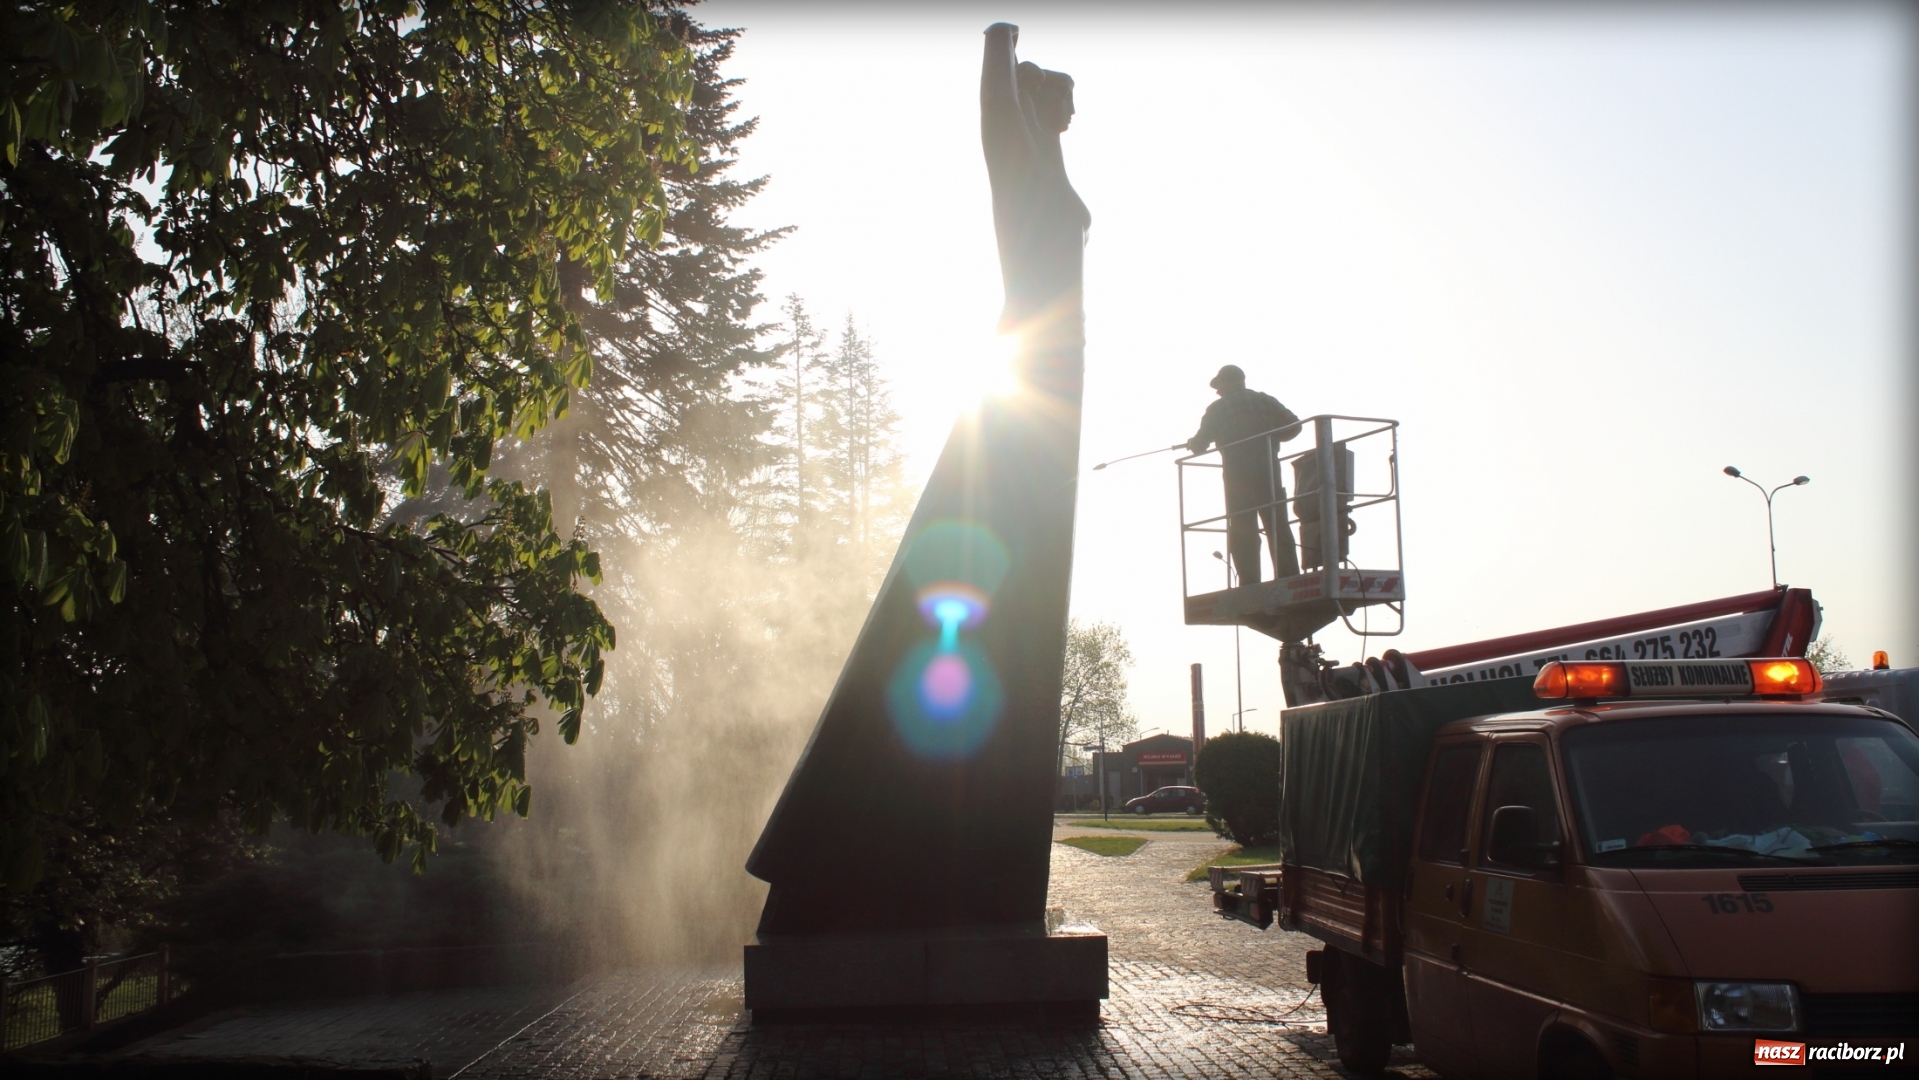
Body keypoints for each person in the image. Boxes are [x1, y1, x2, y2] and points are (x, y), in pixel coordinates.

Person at [1186, 365, 1302, 585]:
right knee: (1277, 526)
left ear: (1228, 383)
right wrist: (1271, 439)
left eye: (1219, 385)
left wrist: (1193, 443)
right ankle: (1289, 577)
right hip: (1269, 472)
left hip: (1237, 477)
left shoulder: (1217, 409)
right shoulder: (1266, 401)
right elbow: (1294, 426)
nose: (1217, 391)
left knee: (1242, 530)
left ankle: (1249, 583)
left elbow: (1200, 445)